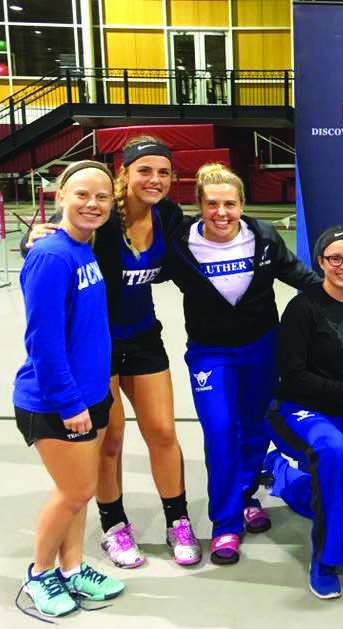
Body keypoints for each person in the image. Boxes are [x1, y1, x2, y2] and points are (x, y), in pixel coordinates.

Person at [24, 136, 199, 569]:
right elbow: (63, 244)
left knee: (162, 431)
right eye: (144, 170)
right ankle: (114, 526)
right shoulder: (102, 218)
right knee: (110, 441)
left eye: (163, 172)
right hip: (97, 347)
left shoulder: (169, 216)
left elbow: (191, 260)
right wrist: (39, 239)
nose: (154, 180)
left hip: (144, 338)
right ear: (125, 173)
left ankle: (178, 520)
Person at [164, 163, 319, 566]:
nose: (221, 212)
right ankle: (225, 524)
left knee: (254, 426)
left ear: (242, 204)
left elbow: (297, 274)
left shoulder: (262, 236)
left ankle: (246, 495)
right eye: (211, 204)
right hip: (209, 353)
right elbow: (133, 260)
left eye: (229, 203)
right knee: (219, 431)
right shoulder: (179, 243)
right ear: (198, 205)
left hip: (261, 346)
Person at [14, 161, 125, 619]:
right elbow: (43, 339)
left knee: (78, 490)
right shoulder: (52, 255)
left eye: (101, 197)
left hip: (90, 395)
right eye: (81, 194)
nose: (91, 204)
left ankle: (73, 567)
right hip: (56, 401)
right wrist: (68, 401)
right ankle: (39, 575)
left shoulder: (83, 248)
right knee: (75, 492)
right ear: (60, 196)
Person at [263, 225, 343, 599]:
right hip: (299, 411)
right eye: (335, 258)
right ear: (320, 261)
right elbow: (294, 377)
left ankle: (280, 470)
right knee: (331, 452)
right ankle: (325, 558)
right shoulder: (303, 308)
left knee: (318, 497)